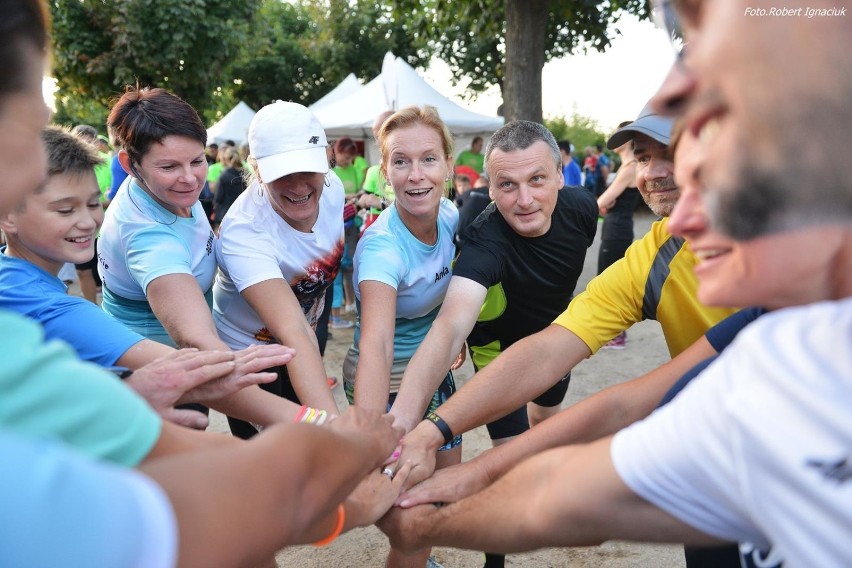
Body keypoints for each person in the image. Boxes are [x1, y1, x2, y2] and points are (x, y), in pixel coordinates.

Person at [379, 3, 852, 564]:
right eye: (642, 157)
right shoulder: (761, 336)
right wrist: (437, 440)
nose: (662, 187)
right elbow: (608, 405)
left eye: (700, 167)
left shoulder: (587, 212)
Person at [0, 6, 411, 565]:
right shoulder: (135, 247)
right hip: (167, 372)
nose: (191, 177)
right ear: (132, 165)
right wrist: (332, 437)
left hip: (152, 390)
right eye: (27, 130)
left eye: (197, 161)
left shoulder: (177, 199)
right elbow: (205, 356)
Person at [399, 125, 766, 568]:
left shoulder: (803, 253)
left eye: (676, 152)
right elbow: (540, 349)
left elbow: (632, 404)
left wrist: (466, 471)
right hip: (719, 462)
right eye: (644, 158)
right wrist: (425, 428)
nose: (656, 173)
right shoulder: (654, 255)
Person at [387, 119, 597, 568]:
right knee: (509, 465)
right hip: (499, 355)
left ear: (561, 176)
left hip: (554, 345)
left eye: (537, 180)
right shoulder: (484, 241)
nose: (524, 200)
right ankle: (495, 563)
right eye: (507, 185)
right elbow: (449, 328)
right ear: (490, 185)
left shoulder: (581, 209)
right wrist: (402, 422)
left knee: (545, 426)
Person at [0, 124, 300, 430]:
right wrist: (316, 420)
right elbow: (197, 371)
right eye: (65, 210)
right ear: (8, 214)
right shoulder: (55, 309)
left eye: (93, 204)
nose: (87, 221)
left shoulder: (11, 275)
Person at [344, 105, 461, 568]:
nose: (416, 176)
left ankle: (417, 553)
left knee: (442, 493)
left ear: (449, 165)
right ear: (383, 171)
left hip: (435, 373)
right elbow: (377, 342)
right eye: (401, 161)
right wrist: (373, 433)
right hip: (389, 383)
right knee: (412, 514)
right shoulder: (380, 248)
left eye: (429, 159)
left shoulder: (450, 215)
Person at [214, 101, 343, 439]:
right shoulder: (244, 230)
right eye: (282, 173)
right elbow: (292, 331)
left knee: (313, 449)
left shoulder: (333, 190)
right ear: (256, 169)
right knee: (278, 461)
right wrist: (340, 434)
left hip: (305, 330)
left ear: (328, 158)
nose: (299, 186)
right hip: (250, 354)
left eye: (308, 169)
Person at [596, 119, 643, 349]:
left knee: (609, 281)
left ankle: (616, 335)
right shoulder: (626, 167)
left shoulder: (630, 167)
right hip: (615, 227)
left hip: (617, 229)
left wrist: (603, 203)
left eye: (618, 135)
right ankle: (613, 333)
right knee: (607, 279)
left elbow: (602, 203)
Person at [211, 144, 246, 229]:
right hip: (242, 213)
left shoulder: (224, 175)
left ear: (226, 159)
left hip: (225, 215)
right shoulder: (245, 173)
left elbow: (218, 198)